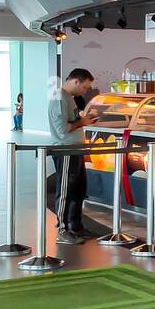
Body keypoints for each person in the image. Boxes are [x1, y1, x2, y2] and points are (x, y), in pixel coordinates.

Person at [47, 68, 100, 245]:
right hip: (66, 150)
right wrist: (82, 122)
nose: (85, 91)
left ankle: (75, 226)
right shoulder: (60, 97)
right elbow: (62, 130)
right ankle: (62, 230)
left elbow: (71, 122)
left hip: (76, 149)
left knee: (78, 189)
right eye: (84, 87)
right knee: (65, 190)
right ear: (76, 81)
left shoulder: (68, 98)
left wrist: (83, 120)